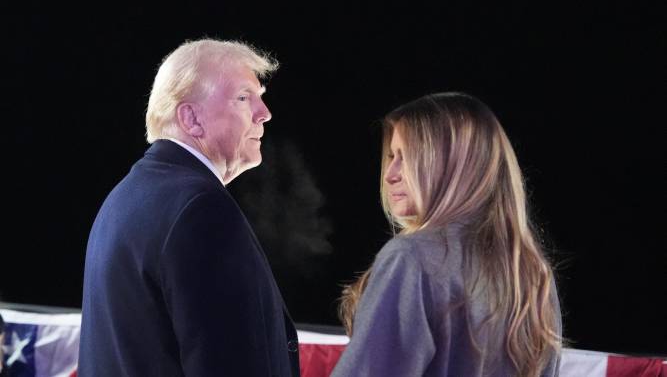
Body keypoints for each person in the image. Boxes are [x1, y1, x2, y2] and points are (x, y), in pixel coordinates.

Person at [79, 39, 300, 376]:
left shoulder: (124, 198)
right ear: (191, 118)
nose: (264, 114)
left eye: (261, 98)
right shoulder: (201, 209)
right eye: (244, 98)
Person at [332, 92, 562, 377]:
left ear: (453, 164)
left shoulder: (412, 257)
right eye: (392, 156)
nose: (390, 173)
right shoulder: (532, 274)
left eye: (408, 157)